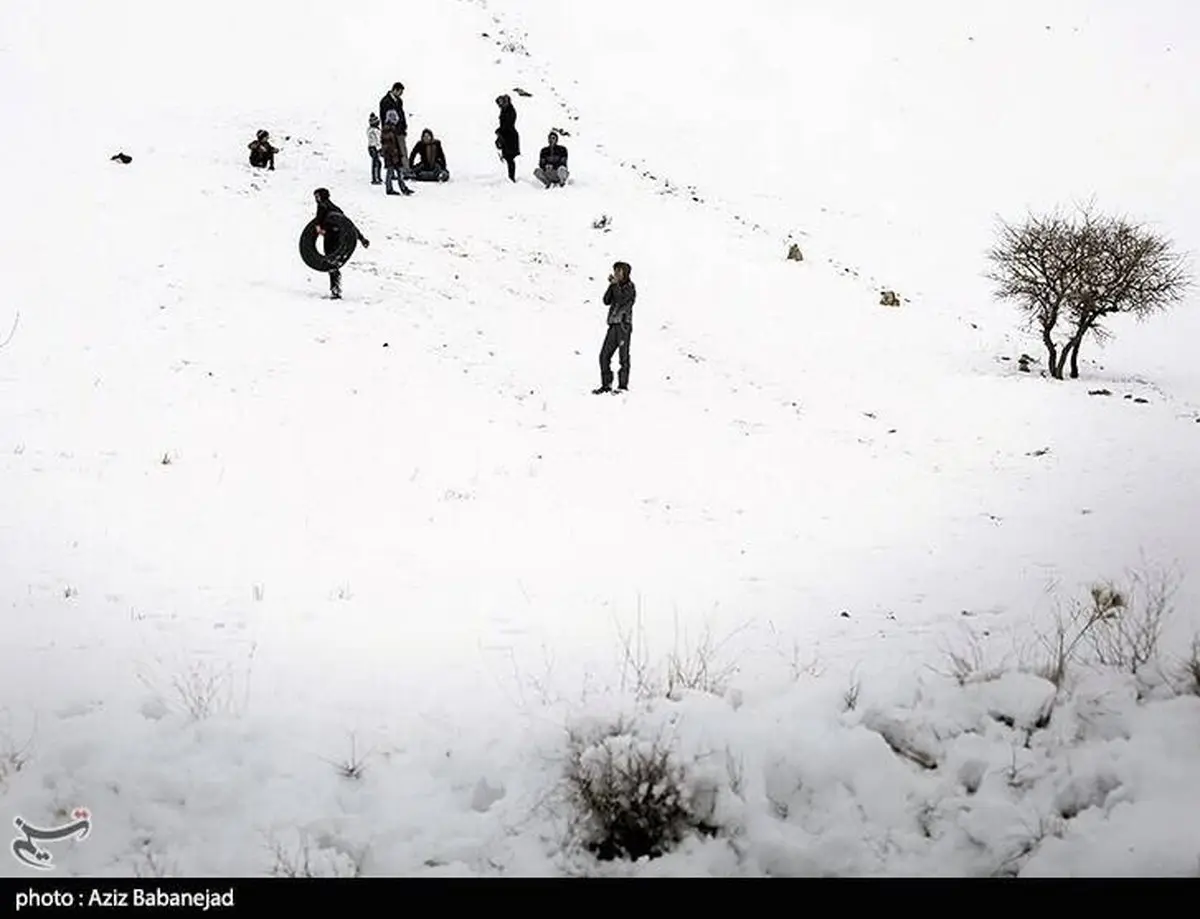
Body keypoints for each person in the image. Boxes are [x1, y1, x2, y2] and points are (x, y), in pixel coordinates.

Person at [312, 188, 370, 300]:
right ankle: (335, 289)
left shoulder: (327, 208)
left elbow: (347, 226)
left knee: (332, 264)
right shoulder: (328, 207)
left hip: (333, 238)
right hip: (332, 238)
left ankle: (335, 290)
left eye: (317, 196)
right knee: (332, 264)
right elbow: (347, 225)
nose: (316, 199)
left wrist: (361, 238)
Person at [594, 261, 636, 393]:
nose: (617, 273)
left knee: (623, 357)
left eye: (619, 271)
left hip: (624, 326)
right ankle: (606, 384)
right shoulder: (615, 286)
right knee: (604, 355)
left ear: (626, 273)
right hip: (613, 325)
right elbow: (606, 300)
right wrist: (611, 286)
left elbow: (621, 299)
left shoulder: (630, 287)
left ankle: (622, 386)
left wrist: (615, 285)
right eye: (615, 270)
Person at [378, 82, 410, 175]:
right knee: (391, 151)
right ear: (395, 90)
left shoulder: (399, 101)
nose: (401, 94)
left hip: (400, 130)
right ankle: (393, 172)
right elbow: (384, 117)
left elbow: (401, 114)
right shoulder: (385, 101)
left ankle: (404, 170)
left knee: (402, 150)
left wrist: (404, 126)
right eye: (400, 92)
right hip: (390, 131)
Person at [380, 111, 414, 196]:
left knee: (398, 172)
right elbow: (388, 144)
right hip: (391, 156)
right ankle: (389, 189)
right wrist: (394, 154)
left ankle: (402, 188)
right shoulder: (388, 129)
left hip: (394, 155)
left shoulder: (392, 129)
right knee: (391, 172)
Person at [494, 94, 519, 183]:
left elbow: (508, 124)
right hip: (506, 135)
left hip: (510, 136)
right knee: (508, 157)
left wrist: (499, 131)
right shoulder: (505, 111)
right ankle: (510, 177)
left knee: (510, 158)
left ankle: (511, 177)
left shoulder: (510, 111)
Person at [367, 113, 382, 185]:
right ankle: (375, 178)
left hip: (372, 147)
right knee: (376, 163)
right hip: (374, 148)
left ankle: (377, 177)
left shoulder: (371, 130)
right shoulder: (374, 131)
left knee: (377, 163)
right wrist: (379, 148)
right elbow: (378, 140)